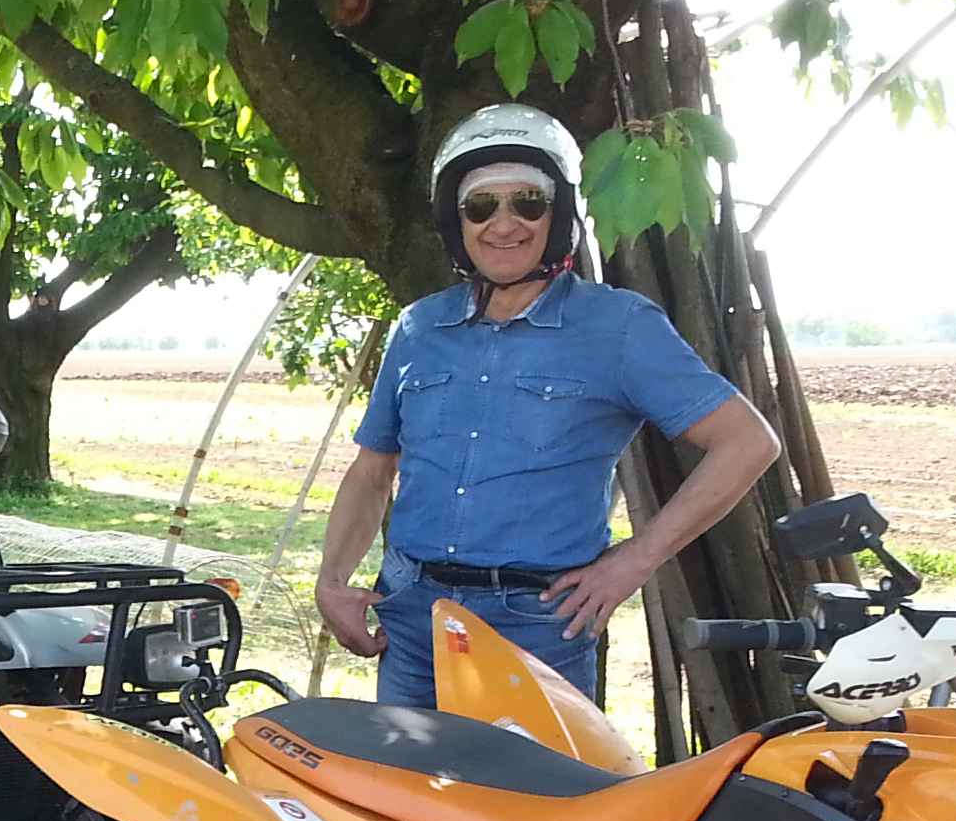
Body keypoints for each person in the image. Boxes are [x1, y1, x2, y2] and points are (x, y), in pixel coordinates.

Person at [314, 104, 782, 708]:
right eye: (481, 206)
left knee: (532, 776)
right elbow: (373, 469)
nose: (503, 224)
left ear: (558, 215)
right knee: (407, 774)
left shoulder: (619, 327)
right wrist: (331, 580)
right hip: (410, 617)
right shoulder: (419, 327)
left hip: (536, 625)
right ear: (455, 221)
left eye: (528, 202)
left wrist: (635, 561)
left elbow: (747, 442)